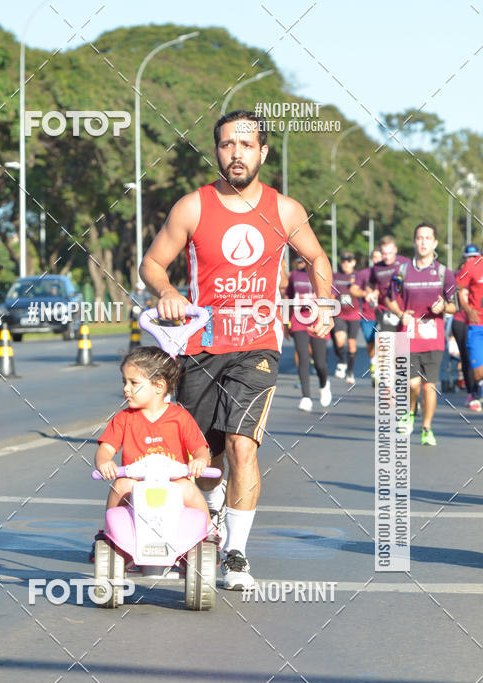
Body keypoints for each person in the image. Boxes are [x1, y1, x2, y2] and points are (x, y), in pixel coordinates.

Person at [140, 109, 332, 590]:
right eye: (228, 145)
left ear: (263, 153)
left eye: (246, 145)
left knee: (244, 445)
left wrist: (324, 302)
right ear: (217, 151)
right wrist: (165, 291)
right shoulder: (193, 207)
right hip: (201, 346)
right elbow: (152, 263)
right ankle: (213, 505)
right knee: (206, 460)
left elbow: (316, 256)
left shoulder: (285, 210)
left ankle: (236, 554)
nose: (236, 153)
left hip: (258, 346)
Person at [95, 346, 210, 522]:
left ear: (158, 386)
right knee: (121, 485)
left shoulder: (180, 417)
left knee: (188, 489)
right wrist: (104, 462)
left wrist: (200, 460)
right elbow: (106, 449)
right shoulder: (123, 419)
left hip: (173, 481)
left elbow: (200, 449)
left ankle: (209, 530)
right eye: (124, 382)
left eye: (134, 383)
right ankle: (109, 530)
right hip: (137, 482)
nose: (126, 388)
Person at [386, 223, 456, 446]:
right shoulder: (403, 271)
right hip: (407, 335)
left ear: (435, 243)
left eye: (428, 238)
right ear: (414, 241)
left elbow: (455, 306)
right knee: (412, 384)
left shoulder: (444, 273)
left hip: (433, 337)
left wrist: (443, 307)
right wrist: (400, 312)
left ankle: (426, 428)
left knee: (429, 386)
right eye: (419, 237)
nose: (423, 242)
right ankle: (410, 411)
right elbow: (390, 297)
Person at [286, 257, 331, 410]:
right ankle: (306, 397)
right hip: (299, 319)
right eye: (299, 261)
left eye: (304, 260)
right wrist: (286, 322)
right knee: (303, 357)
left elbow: (331, 296)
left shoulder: (321, 273)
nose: (301, 263)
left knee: (319, 363)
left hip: (317, 317)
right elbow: (288, 298)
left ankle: (324, 385)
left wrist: (326, 317)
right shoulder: (294, 276)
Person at [456, 244, 483, 413]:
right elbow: (458, 288)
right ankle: (477, 391)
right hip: (477, 323)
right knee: (479, 370)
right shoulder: (472, 266)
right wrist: (467, 308)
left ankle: (477, 394)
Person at [351, 248, 383, 384]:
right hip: (367, 315)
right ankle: (373, 363)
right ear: (371, 259)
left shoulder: (388, 273)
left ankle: (380, 370)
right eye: (374, 257)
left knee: (381, 342)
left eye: (379, 257)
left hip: (383, 314)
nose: (377, 260)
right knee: (370, 343)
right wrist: (365, 294)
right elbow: (353, 289)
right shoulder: (364, 274)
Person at [331, 251, 361, 384]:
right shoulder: (336, 276)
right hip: (339, 312)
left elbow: (364, 292)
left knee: (352, 344)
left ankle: (350, 372)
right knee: (339, 339)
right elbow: (331, 292)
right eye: (343, 261)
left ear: (354, 262)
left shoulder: (358, 276)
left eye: (349, 261)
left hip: (354, 314)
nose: (346, 263)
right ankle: (342, 361)